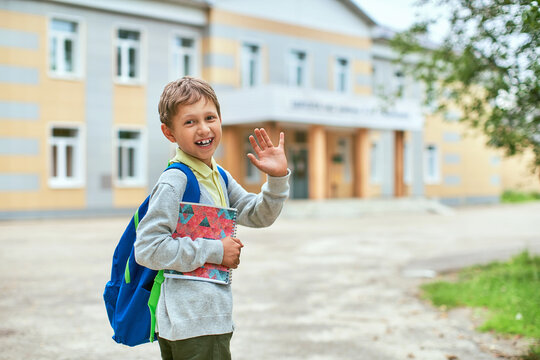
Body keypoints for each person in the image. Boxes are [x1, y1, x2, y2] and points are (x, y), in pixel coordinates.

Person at [134, 76, 290, 360]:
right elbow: (148, 248)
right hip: (192, 323)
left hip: (206, 319)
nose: (203, 128)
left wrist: (277, 178)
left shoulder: (218, 176)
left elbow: (258, 215)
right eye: (189, 122)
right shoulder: (175, 181)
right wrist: (216, 250)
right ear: (169, 133)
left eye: (210, 117)